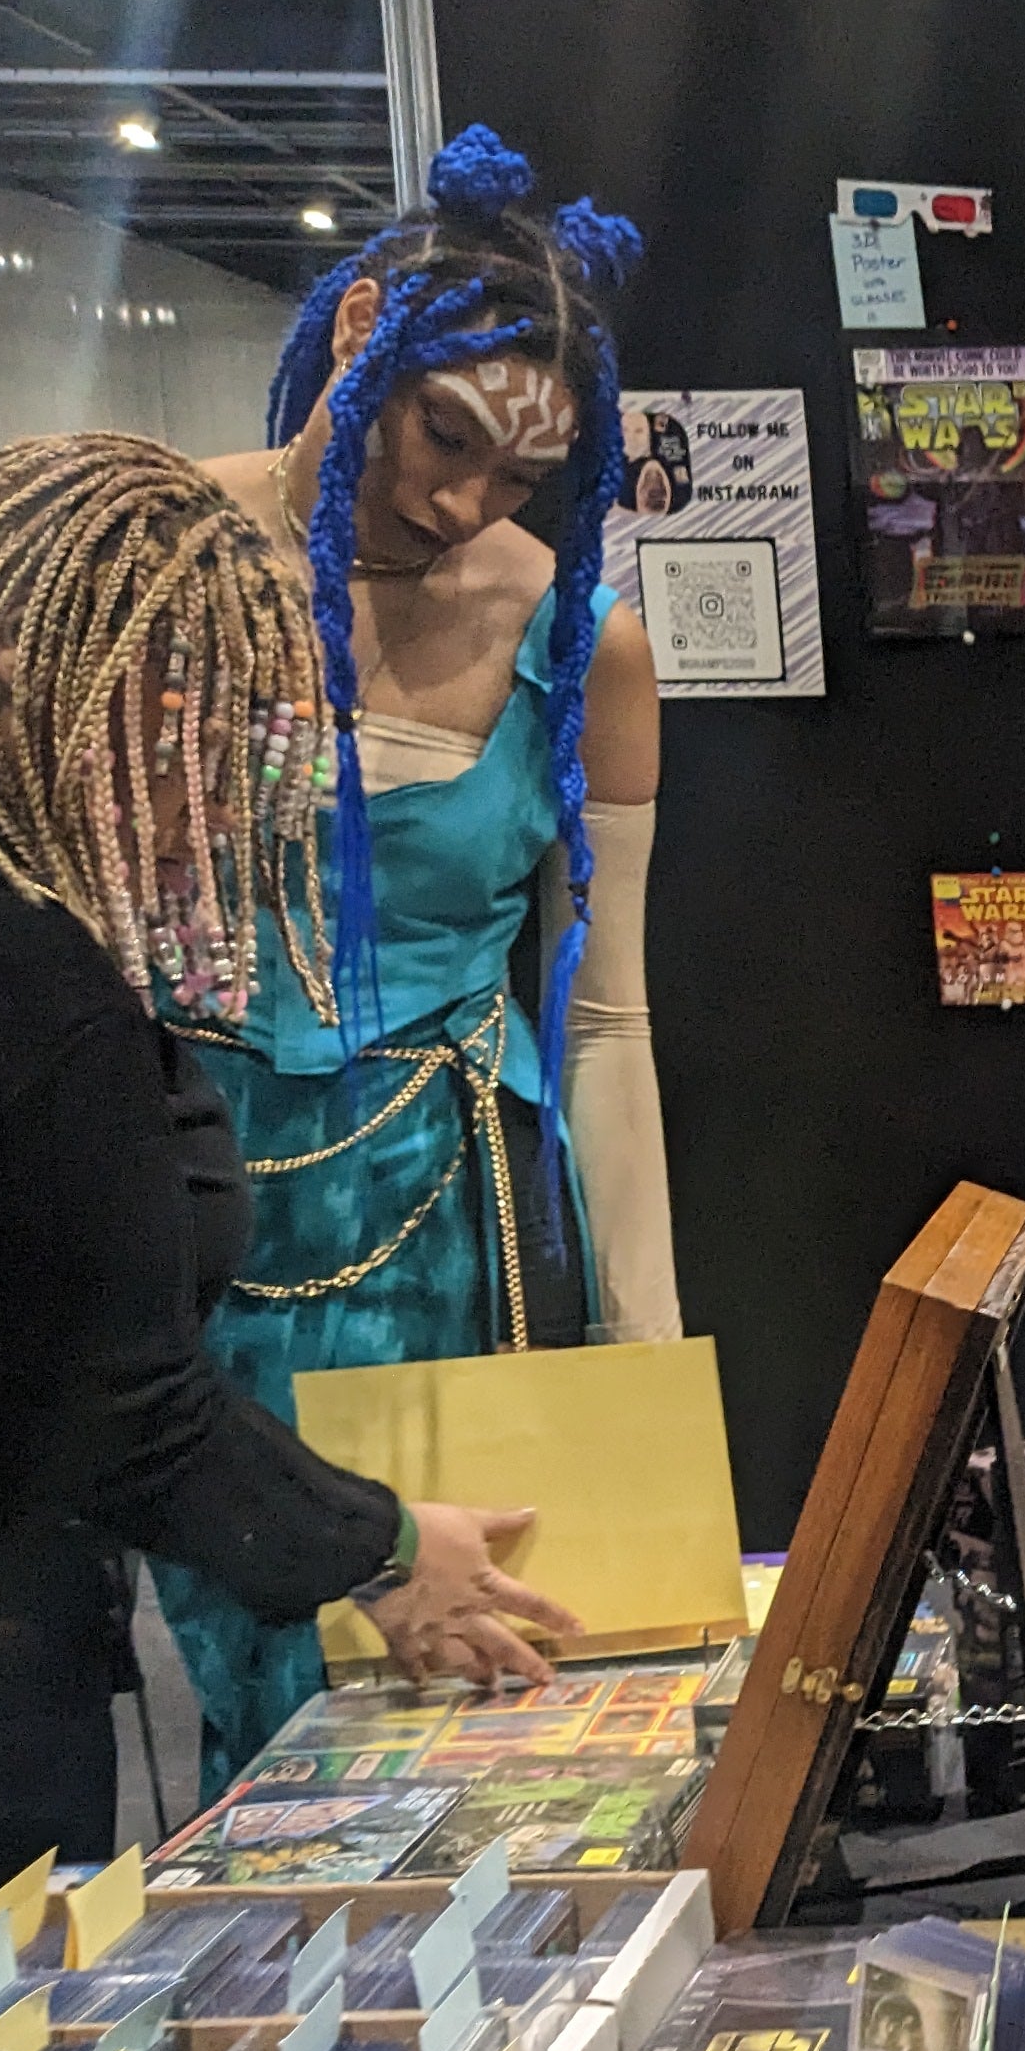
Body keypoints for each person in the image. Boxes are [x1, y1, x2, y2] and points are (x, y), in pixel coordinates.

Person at [0, 437, 581, 1915]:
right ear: (113, 704)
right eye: (229, 736)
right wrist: (388, 1544)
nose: (242, 793)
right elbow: (112, 1393)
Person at [164, 123, 668, 1787]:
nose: (462, 503)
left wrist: (648, 1356)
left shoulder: (578, 639)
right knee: (258, 1731)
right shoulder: (156, 575)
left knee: (496, 1724)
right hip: (196, 1238)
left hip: (467, 1233)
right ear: (364, 325)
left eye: (520, 476)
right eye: (441, 433)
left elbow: (607, 1018)